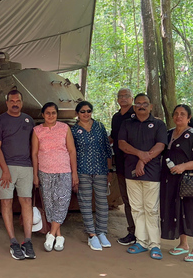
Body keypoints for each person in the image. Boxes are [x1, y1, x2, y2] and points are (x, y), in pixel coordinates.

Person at [118, 93, 167, 260]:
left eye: (145, 103)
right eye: (138, 104)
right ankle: (141, 241)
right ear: (134, 107)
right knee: (136, 209)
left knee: (151, 210)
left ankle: (155, 244)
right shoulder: (126, 124)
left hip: (152, 174)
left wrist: (143, 160)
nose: (141, 106)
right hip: (131, 172)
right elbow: (122, 144)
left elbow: (160, 145)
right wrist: (140, 155)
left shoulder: (159, 124)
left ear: (150, 106)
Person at [0, 90, 36, 260]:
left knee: (26, 201)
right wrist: (5, 170)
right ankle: (13, 241)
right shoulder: (0, 121)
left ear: (22, 103)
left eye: (18, 100)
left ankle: (27, 240)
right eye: (12, 101)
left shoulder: (28, 120)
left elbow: (33, 146)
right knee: (7, 202)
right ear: (7, 103)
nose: (15, 103)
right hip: (4, 167)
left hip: (26, 166)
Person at [32, 102, 79, 252]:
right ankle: (59, 236)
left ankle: (51, 234)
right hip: (45, 171)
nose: (50, 116)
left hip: (64, 171)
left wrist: (74, 173)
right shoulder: (37, 130)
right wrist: (35, 174)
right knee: (49, 204)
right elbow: (34, 153)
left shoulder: (64, 128)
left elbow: (72, 151)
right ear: (43, 115)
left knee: (62, 202)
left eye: (53, 113)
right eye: (48, 113)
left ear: (57, 114)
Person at [71, 101, 113, 251]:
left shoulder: (100, 127)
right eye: (82, 111)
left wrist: (109, 170)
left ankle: (101, 232)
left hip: (101, 169)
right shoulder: (74, 130)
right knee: (85, 202)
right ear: (77, 114)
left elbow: (107, 149)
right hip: (82, 170)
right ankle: (92, 234)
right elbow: (72, 152)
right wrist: (73, 173)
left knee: (102, 202)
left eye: (89, 111)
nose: (86, 114)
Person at [160, 104, 193, 262]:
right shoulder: (168, 134)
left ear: (189, 118)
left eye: (183, 114)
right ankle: (183, 244)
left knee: (190, 211)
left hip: (188, 180)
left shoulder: (192, 135)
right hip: (170, 179)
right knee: (178, 211)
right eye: (176, 113)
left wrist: (183, 167)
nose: (179, 116)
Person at [110, 88, 137, 245]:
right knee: (127, 200)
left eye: (126, 96)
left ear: (131, 98)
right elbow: (113, 137)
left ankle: (143, 233)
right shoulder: (116, 117)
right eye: (120, 96)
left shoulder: (137, 114)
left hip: (137, 164)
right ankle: (133, 232)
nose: (123, 98)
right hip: (121, 164)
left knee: (139, 201)